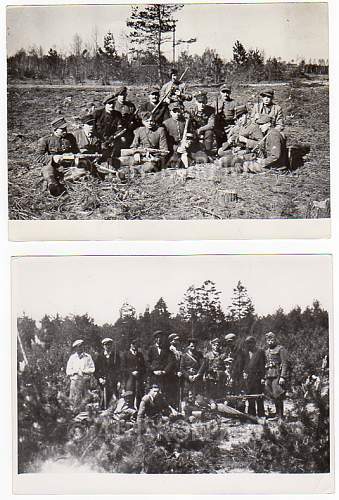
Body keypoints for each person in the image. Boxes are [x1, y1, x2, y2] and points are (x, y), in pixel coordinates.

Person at [37, 116, 79, 196]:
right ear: (55, 130)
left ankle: (67, 180)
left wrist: (76, 157)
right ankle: (52, 185)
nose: (65, 131)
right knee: (47, 170)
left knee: (82, 169)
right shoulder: (46, 140)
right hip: (54, 166)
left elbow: (76, 152)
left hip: (68, 165)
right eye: (62, 129)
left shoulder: (70, 137)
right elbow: (37, 157)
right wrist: (52, 158)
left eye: (65, 128)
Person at [264, 332, 289, 420]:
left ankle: (280, 416)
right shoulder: (266, 351)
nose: (270, 342)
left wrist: (283, 376)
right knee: (273, 395)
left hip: (277, 374)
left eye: (272, 340)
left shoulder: (280, 349)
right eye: (268, 340)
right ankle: (276, 414)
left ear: (275, 339)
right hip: (269, 374)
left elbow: (285, 363)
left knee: (278, 394)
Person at [66, 339, 95, 408]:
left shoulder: (88, 357)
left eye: (82, 346)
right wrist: (75, 371)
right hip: (75, 381)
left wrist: (84, 371)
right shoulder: (72, 358)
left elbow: (92, 369)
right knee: (73, 400)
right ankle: (73, 413)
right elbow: (68, 371)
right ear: (76, 348)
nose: (81, 348)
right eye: (79, 347)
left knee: (85, 400)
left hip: (85, 381)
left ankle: (84, 416)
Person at [147, 330, 176, 397]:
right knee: (153, 392)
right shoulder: (151, 349)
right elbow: (148, 362)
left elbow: (171, 362)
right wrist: (153, 371)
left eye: (160, 337)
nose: (159, 339)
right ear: (155, 339)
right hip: (154, 375)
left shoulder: (166, 349)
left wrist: (164, 371)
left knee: (163, 392)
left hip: (164, 375)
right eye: (157, 338)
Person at [223, 333, 248, 412]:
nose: (229, 343)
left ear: (235, 341)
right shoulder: (226, 351)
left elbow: (241, 365)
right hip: (228, 376)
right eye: (228, 342)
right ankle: (231, 413)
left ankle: (240, 413)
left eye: (231, 341)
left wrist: (234, 375)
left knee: (239, 396)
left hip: (238, 377)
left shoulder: (240, 351)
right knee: (229, 395)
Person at [93, 95, 123, 160]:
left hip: (112, 140)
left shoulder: (118, 115)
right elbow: (92, 128)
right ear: (105, 104)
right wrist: (99, 140)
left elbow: (120, 129)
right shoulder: (97, 114)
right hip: (98, 140)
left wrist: (112, 137)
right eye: (109, 104)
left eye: (113, 103)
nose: (111, 105)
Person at [95, 338, 121, 409]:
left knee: (115, 400)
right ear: (103, 346)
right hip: (103, 381)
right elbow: (96, 370)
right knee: (103, 400)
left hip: (113, 381)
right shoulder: (100, 357)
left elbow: (119, 369)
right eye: (106, 345)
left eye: (109, 345)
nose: (108, 346)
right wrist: (99, 378)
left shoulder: (116, 356)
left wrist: (119, 381)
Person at [243, 336, 265, 417]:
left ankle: (261, 414)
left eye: (251, 343)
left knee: (259, 396)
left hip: (258, 377)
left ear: (254, 343)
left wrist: (263, 377)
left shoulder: (260, 352)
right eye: (247, 343)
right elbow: (244, 364)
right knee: (250, 396)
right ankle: (251, 415)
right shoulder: (245, 352)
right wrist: (244, 372)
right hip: (248, 378)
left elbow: (263, 365)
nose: (249, 345)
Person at [180, 338, 206, 403]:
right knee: (187, 394)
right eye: (191, 346)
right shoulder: (184, 355)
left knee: (198, 394)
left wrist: (198, 375)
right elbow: (182, 368)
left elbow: (203, 365)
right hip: (188, 378)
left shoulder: (199, 354)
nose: (193, 348)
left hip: (197, 376)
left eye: (195, 346)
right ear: (188, 346)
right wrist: (188, 376)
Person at [122, 339, 146, 409]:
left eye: (136, 345)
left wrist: (139, 371)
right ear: (131, 345)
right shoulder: (125, 354)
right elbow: (123, 368)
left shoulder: (140, 355)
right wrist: (131, 372)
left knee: (139, 393)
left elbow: (143, 367)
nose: (135, 346)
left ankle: (139, 409)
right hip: (129, 378)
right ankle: (130, 409)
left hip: (139, 378)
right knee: (129, 394)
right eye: (134, 344)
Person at [190, 91, 215, 156]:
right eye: (199, 102)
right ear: (196, 102)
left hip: (204, 130)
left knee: (209, 132)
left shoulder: (210, 110)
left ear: (206, 102)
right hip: (194, 131)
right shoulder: (191, 110)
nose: (201, 105)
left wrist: (200, 129)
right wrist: (195, 131)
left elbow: (211, 125)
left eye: (203, 102)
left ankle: (207, 151)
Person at [214, 83, 238, 148]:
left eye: (227, 92)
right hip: (219, 126)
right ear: (220, 92)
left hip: (230, 126)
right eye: (223, 92)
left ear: (230, 93)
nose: (225, 94)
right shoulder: (215, 102)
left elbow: (237, 116)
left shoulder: (234, 103)